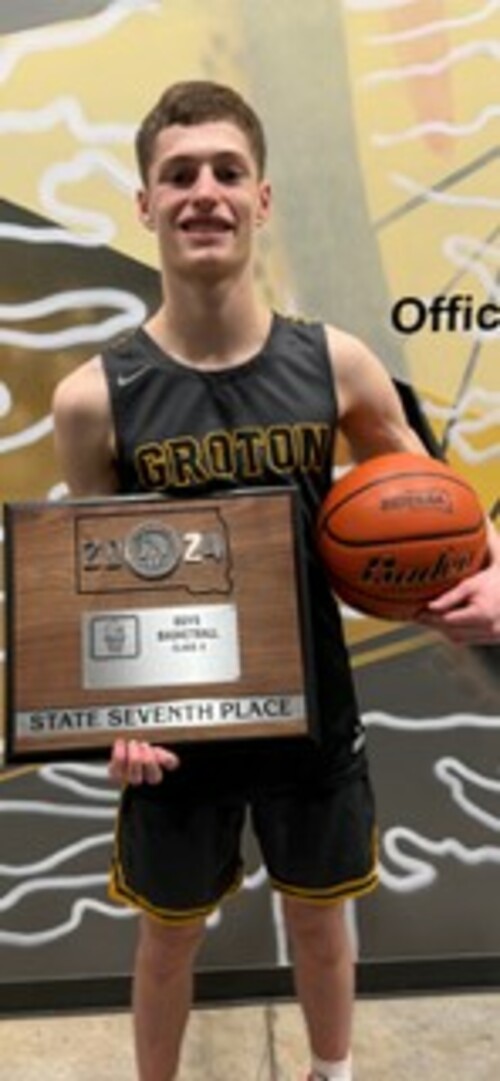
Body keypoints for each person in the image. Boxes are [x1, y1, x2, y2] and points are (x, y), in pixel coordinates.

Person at [52, 80, 500, 1081]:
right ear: (145, 204)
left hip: (312, 708)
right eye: (179, 174)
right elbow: (93, 574)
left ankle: (330, 1073)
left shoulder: (336, 363)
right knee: (167, 935)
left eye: (227, 171)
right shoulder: (93, 398)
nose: (203, 192)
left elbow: (435, 497)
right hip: (177, 724)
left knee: (319, 920)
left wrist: (490, 570)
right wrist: (115, 713)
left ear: (261, 198)